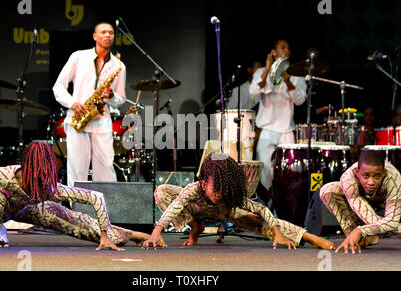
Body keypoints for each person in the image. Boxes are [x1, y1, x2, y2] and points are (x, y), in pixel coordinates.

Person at [0, 142, 149, 249]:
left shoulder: (49, 187)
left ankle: (131, 235)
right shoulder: (5, 175)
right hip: (4, 207)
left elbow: (95, 197)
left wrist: (105, 234)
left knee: (79, 222)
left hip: (32, 210)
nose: (40, 177)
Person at [142, 153, 335, 250]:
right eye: (215, 189)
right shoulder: (193, 190)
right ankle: (195, 227)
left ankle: (309, 238)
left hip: (226, 212)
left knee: (260, 222)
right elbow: (174, 207)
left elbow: (261, 209)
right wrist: (156, 233)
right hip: (197, 211)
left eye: (224, 190)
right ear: (202, 182)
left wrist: (277, 234)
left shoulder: (228, 196)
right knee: (161, 192)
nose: (219, 194)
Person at [53, 22, 126, 186]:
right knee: (77, 172)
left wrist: (112, 96)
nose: (107, 35)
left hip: (102, 121)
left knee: (106, 171)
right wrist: (72, 103)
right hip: (78, 118)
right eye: (103, 32)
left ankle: (106, 209)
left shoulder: (119, 66)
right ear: (94, 36)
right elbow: (58, 87)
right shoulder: (78, 57)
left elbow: (120, 99)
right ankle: (75, 210)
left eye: (111, 33)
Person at [249, 39, 307, 203]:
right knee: (265, 173)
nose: (287, 50)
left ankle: (281, 209)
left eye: (288, 48)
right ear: (273, 52)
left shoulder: (296, 74)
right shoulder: (261, 71)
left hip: (286, 130)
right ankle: (265, 209)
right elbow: (254, 91)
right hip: (266, 129)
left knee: (286, 173)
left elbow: (300, 100)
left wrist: (288, 80)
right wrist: (267, 70)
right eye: (283, 47)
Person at [319, 150, 401, 254]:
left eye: (377, 176)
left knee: (390, 223)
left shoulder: (393, 177)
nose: (371, 182)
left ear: (384, 173)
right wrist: (360, 231)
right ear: (357, 172)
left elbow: (392, 222)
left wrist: (360, 230)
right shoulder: (348, 179)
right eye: (366, 176)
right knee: (327, 191)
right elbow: (373, 218)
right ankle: (361, 239)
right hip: (360, 201)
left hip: (388, 201)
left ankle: (361, 235)